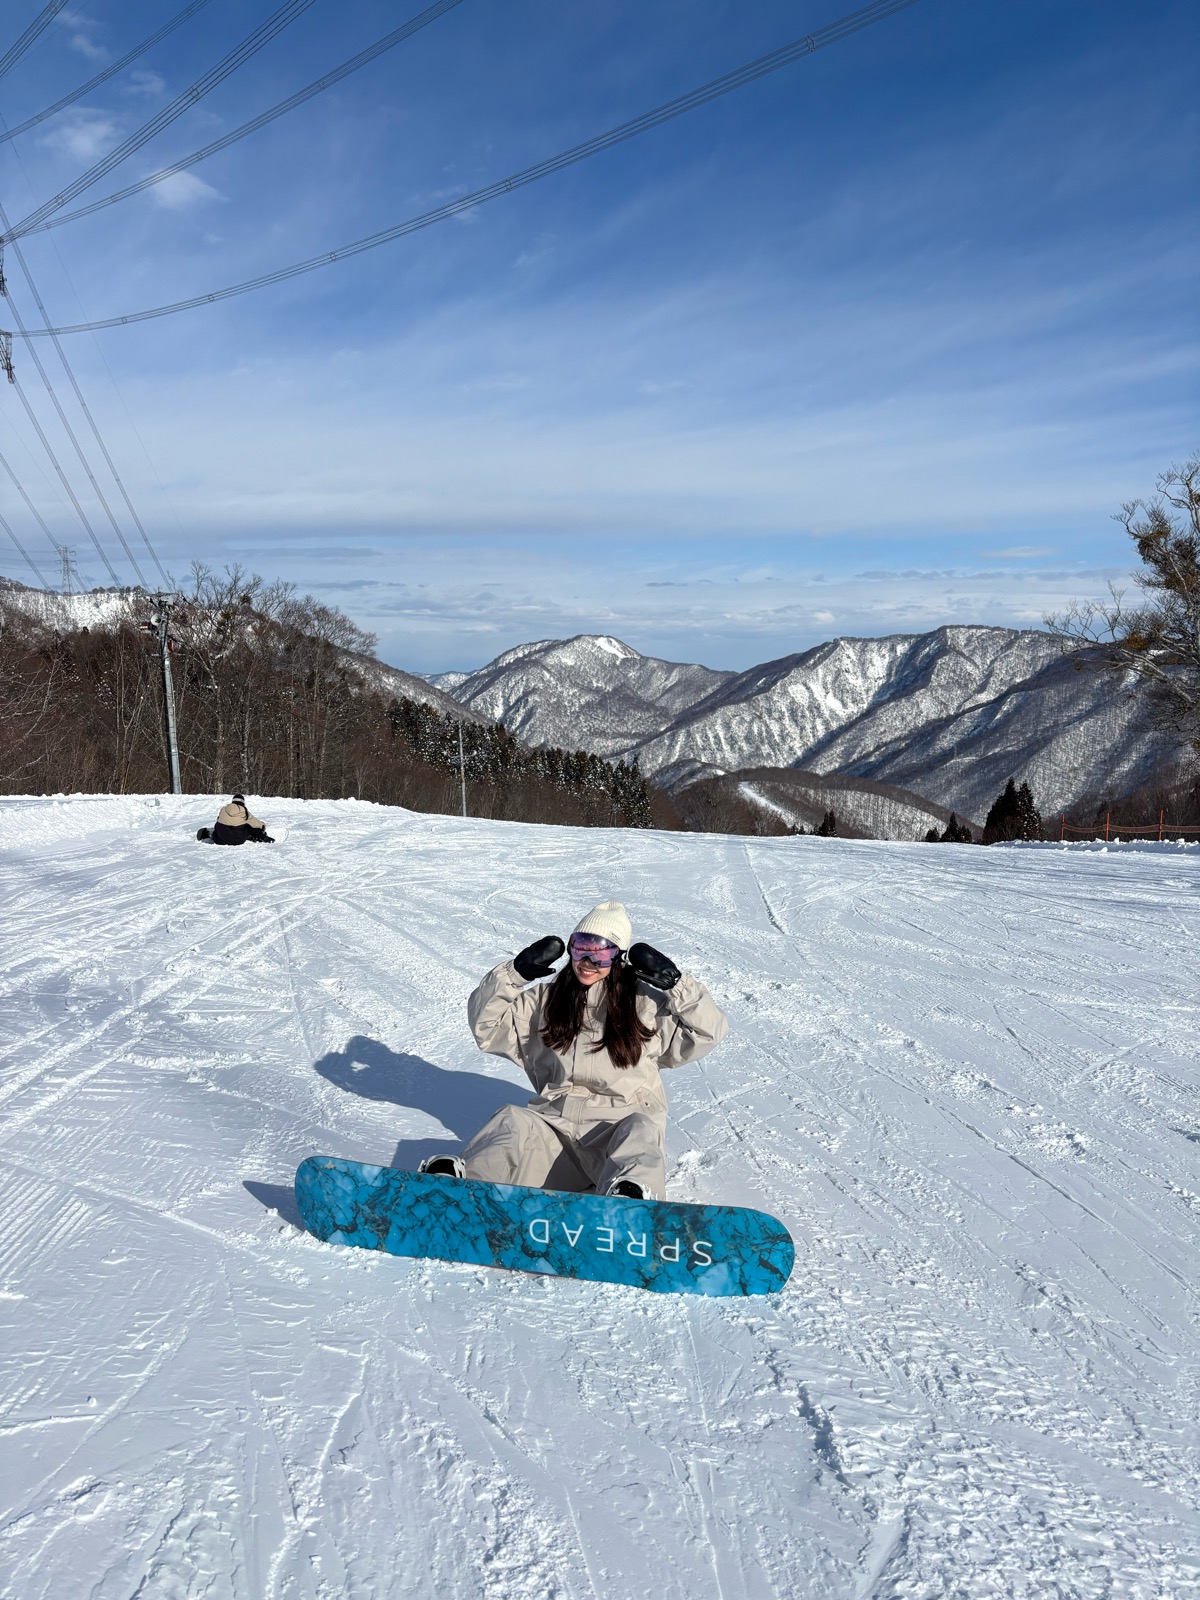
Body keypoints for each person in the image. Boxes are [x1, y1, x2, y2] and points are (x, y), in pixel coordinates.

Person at [420, 900, 728, 1200]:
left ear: (618, 957)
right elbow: (486, 1026)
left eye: (601, 952)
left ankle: (630, 1201)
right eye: (581, 948)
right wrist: (514, 975)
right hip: (556, 1138)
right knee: (512, 1120)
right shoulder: (545, 1002)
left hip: (616, 1142)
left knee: (640, 1128)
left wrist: (677, 986)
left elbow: (708, 1032)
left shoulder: (646, 1005)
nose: (588, 962)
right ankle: (459, 1194)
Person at [200, 794, 274, 846]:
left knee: (219, 824)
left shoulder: (223, 809)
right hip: (237, 840)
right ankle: (260, 837)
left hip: (220, 839)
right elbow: (254, 822)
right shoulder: (244, 811)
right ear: (243, 802)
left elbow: (218, 819)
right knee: (248, 826)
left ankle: (210, 834)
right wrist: (262, 825)